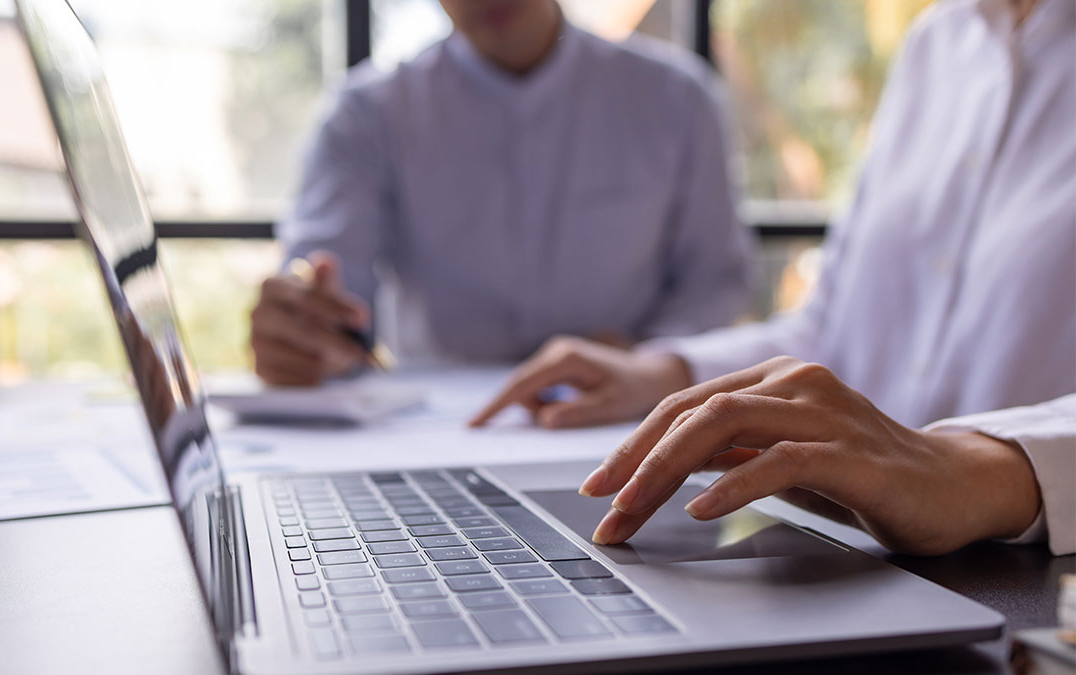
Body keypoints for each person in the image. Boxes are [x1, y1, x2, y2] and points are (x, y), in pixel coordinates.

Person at [471, 0, 1075, 557]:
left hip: (1035, 585)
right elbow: (837, 325)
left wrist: (981, 468)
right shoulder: (939, 41)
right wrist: (666, 374)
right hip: (859, 553)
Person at [249, 0, 753, 386]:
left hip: (627, 424)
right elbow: (329, 293)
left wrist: (642, 354)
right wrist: (304, 334)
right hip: (434, 433)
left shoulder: (677, 100)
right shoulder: (366, 115)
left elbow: (716, 281)